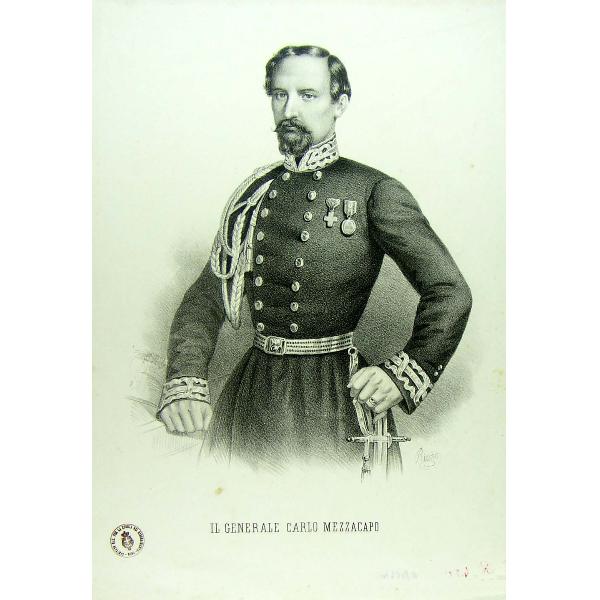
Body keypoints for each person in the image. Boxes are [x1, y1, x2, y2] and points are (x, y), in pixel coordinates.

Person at [156, 45, 472, 469]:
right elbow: (206, 298)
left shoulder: (373, 190)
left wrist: (403, 373)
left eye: (307, 95)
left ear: (339, 104)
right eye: (279, 95)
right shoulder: (256, 195)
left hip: (334, 396)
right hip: (251, 395)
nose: (290, 110)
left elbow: (450, 291)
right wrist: (185, 381)